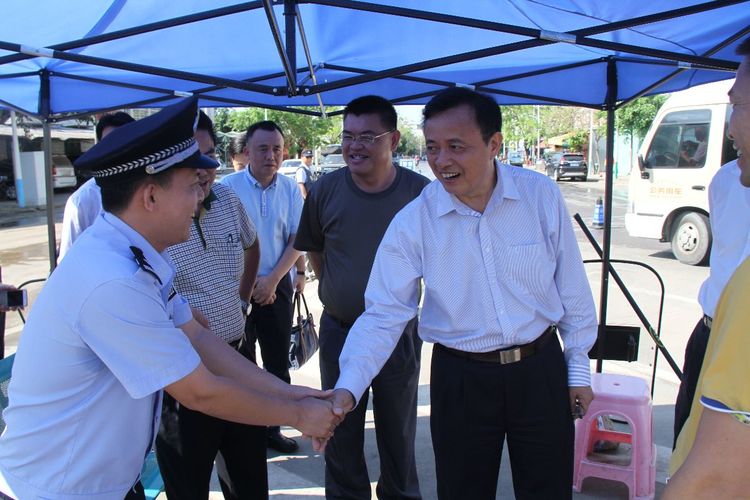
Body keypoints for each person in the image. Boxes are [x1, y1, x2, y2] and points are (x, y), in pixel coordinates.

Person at [0, 97, 340, 500]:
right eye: (191, 186)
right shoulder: (113, 280)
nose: (201, 199)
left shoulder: (137, 255)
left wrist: (296, 394)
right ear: (150, 196)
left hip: (103, 480)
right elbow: (200, 391)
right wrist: (302, 415)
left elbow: (198, 338)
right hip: (63, 488)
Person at [326, 87, 598, 499]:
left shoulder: (538, 196)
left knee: (548, 489)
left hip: (538, 369)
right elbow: (384, 314)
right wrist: (348, 387)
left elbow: (572, 291)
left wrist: (577, 369)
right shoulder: (414, 221)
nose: (441, 161)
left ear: (494, 144)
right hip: (462, 380)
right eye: (433, 147)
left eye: (456, 146)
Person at [295, 95, 429, 500]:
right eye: (348, 136)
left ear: (394, 139)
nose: (355, 146)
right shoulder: (325, 190)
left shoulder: (421, 194)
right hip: (340, 330)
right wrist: (339, 288)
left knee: (398, 431)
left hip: (398, 336)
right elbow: (314, 248)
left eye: (368, 136)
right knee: (338, 428)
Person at [155, 113, 267, 499]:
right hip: (185, 374)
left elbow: (253, 245)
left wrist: (242, 296)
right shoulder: (156, 221)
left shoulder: (229, 200)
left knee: (248, 478)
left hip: (237, 355)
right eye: (191, 160)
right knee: (188, 484)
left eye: (208, 155)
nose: (203, 169)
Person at [664, 36, 750, 500]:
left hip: (736, 344)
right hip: (711, 334)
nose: (730, 126)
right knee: (688, 438)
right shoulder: (725, 182)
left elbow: (714, 477)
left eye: (735, 104)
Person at [220, 121, 307, 453]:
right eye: (263, 148)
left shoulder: (288, 189)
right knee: (241, 363)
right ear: (246, 152)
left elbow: (298, 238)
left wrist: (274, 280)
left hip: (276, 287)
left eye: (277, 149)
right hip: (234, 290)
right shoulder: (226, 188)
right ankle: (245, 431)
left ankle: (272, 429)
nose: (271, 155)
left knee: (276, 364)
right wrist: (248, 284)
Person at [58, 111, 135, 261]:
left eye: (124, 142)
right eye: (109, 143)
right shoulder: (82, 201)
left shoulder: (150, 189)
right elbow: (69, 261)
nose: (117, 150)